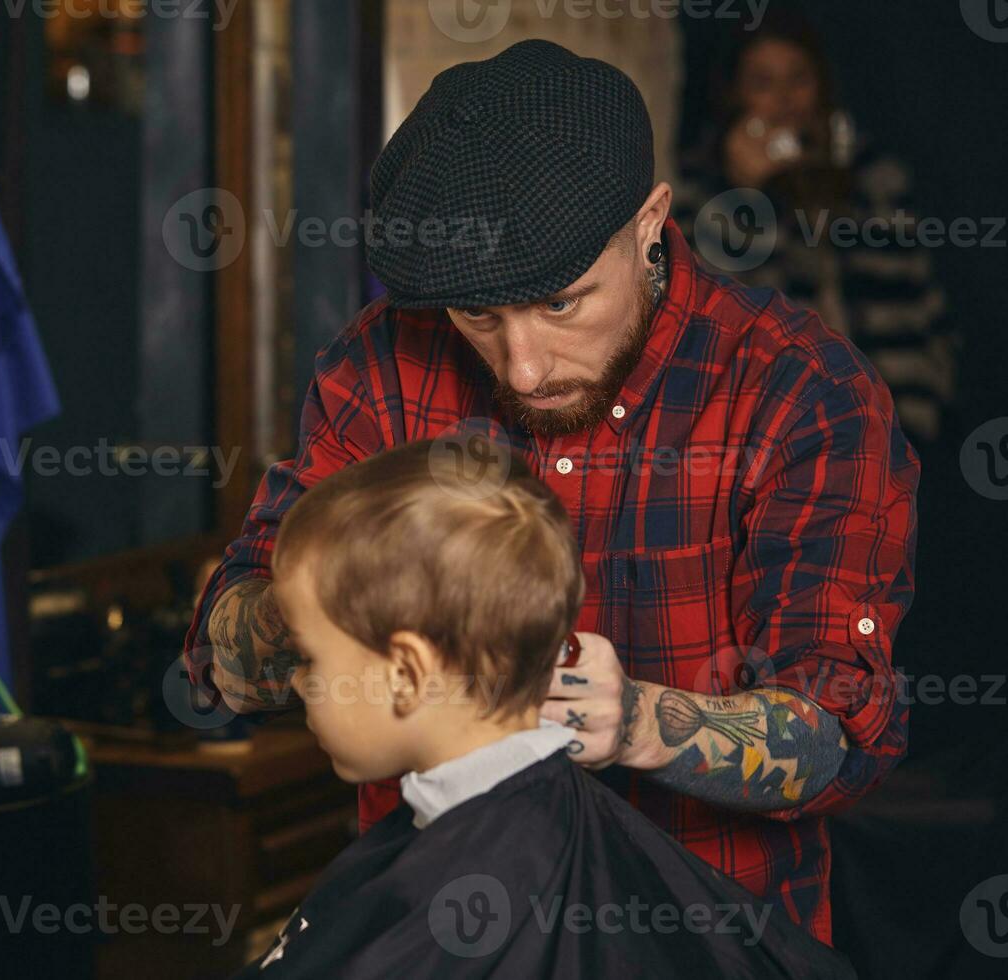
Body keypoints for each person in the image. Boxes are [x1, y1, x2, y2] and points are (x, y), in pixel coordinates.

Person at [185, 39, 918, 946]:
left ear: (651, 223)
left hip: (712, 945)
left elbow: (842, 735)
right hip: (442, 930)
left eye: (563, 303)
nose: (524, 369)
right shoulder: (384, 365)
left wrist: (640, 720)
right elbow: (227, 654)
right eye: (479, 316)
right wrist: (337, 616)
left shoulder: (801, 392)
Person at [230, 438, 853, 978]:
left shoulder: (484, 890)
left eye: (311, 657)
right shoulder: (515, 831)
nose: (302, 683)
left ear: (407, 672)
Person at [671, 13, 959, 448]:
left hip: (891, 433)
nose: (784, 99)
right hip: (776, 439)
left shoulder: (873, 177)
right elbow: (710, 313)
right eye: (763, 83)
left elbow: (922, 298)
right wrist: (748, 194)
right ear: (735, 94)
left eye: (798, 78)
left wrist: (928, 396)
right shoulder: (702, 186)